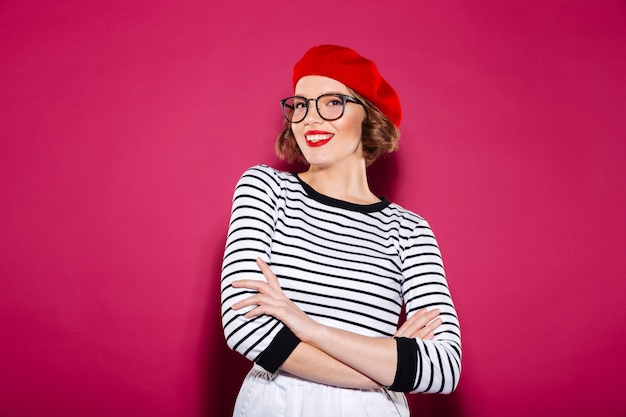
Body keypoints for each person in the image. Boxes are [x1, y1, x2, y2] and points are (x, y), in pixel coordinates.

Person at [220, 44, 461, 417]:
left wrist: (308, 327)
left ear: (369, 116)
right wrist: (382, 366)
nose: (310, 119)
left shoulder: (409, 230)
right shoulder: (266, 189)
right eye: (300, 104)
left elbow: (443, 367)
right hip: (279, 405)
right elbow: (245, 328)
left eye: (332, 102)